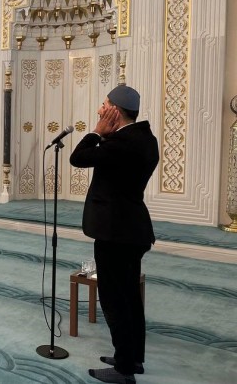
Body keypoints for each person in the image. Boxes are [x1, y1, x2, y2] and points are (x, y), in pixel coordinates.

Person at [69, 85, 159, 384]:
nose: (99, 109)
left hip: (115, 233)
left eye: (104, 104)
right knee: (130, 298)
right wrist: (107, 136)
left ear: (115, 112)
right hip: (133, 230)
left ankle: (124, 369)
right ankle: (133, 358)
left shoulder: (120, 144)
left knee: (115, 300)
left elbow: (78, 158)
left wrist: (96, 132)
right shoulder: (145, 139)